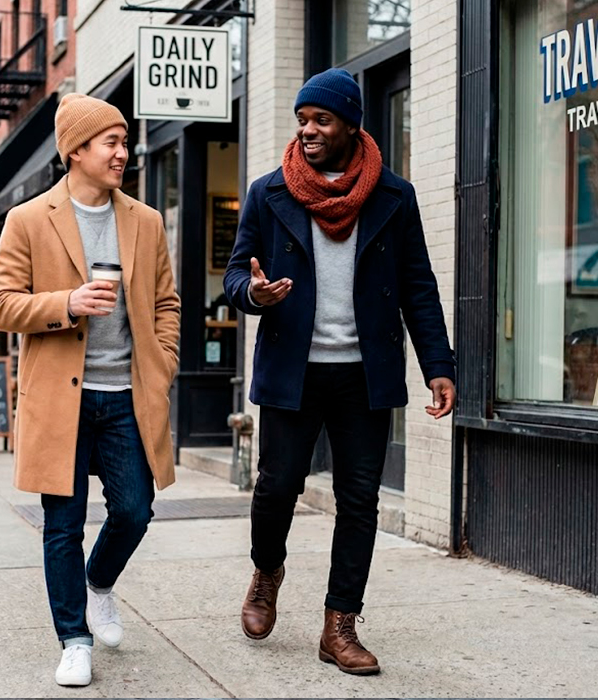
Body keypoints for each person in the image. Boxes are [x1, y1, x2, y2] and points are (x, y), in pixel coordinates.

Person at [224, 68, 457, 676]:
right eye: (302, 119)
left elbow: (418, 286)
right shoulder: (268, 192)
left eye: (321, 120)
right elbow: (234, 275)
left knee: (359, 501)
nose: (307, 130)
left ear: (351, 126)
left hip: (364, 374)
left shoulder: (394, 196)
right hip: (292, 371)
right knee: (277, 487)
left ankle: (340, 624)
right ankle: (266, 571)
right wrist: (253, 294)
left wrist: (438, 364)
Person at [0, 93, 180, 688]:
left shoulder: (145, 221)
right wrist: (66, 303)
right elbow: (1, 305)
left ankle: (99, 584)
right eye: (111, 142)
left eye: (124, 141)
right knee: (63, 525)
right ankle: (74, 639)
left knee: (134, 511)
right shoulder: (27, 219)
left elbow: (167, 303)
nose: (123, 152)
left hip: (127, 396)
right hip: (60, 399)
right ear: (76, 150)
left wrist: (164, 364)